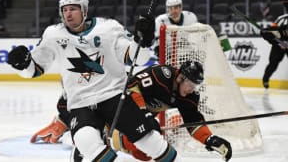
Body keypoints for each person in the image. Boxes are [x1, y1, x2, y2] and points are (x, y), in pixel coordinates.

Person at [7, 0, 183, 161]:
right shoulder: (53, 35)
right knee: (86, 142)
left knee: (150, 143)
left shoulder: (108, 28)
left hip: (114, 97)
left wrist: (143, 42)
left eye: (73, 9)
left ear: (84, 10)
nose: (68, 14)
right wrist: (22, 65)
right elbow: (34, 70)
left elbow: (136, 57)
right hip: (80, 104)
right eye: (65, 10)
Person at [30, 61, 233, 162]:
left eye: (195, 86)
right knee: (97, 134)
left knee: (143, 151)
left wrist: (209, 139)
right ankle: (75, 137)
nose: (192, 89)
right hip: (119, 104)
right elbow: (132, 86)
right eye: (190, 83)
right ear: (179, 77)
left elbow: (193, 122)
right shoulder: (160, 75)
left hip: (134, 116)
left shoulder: (189, 96)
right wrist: (143, 113)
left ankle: (98, 140)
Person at [261, 14, 288, 89]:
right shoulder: (281, 18)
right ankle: (265, 79)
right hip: (279, 44)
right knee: (273, 63)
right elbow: (269, 32)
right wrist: (278, 43)